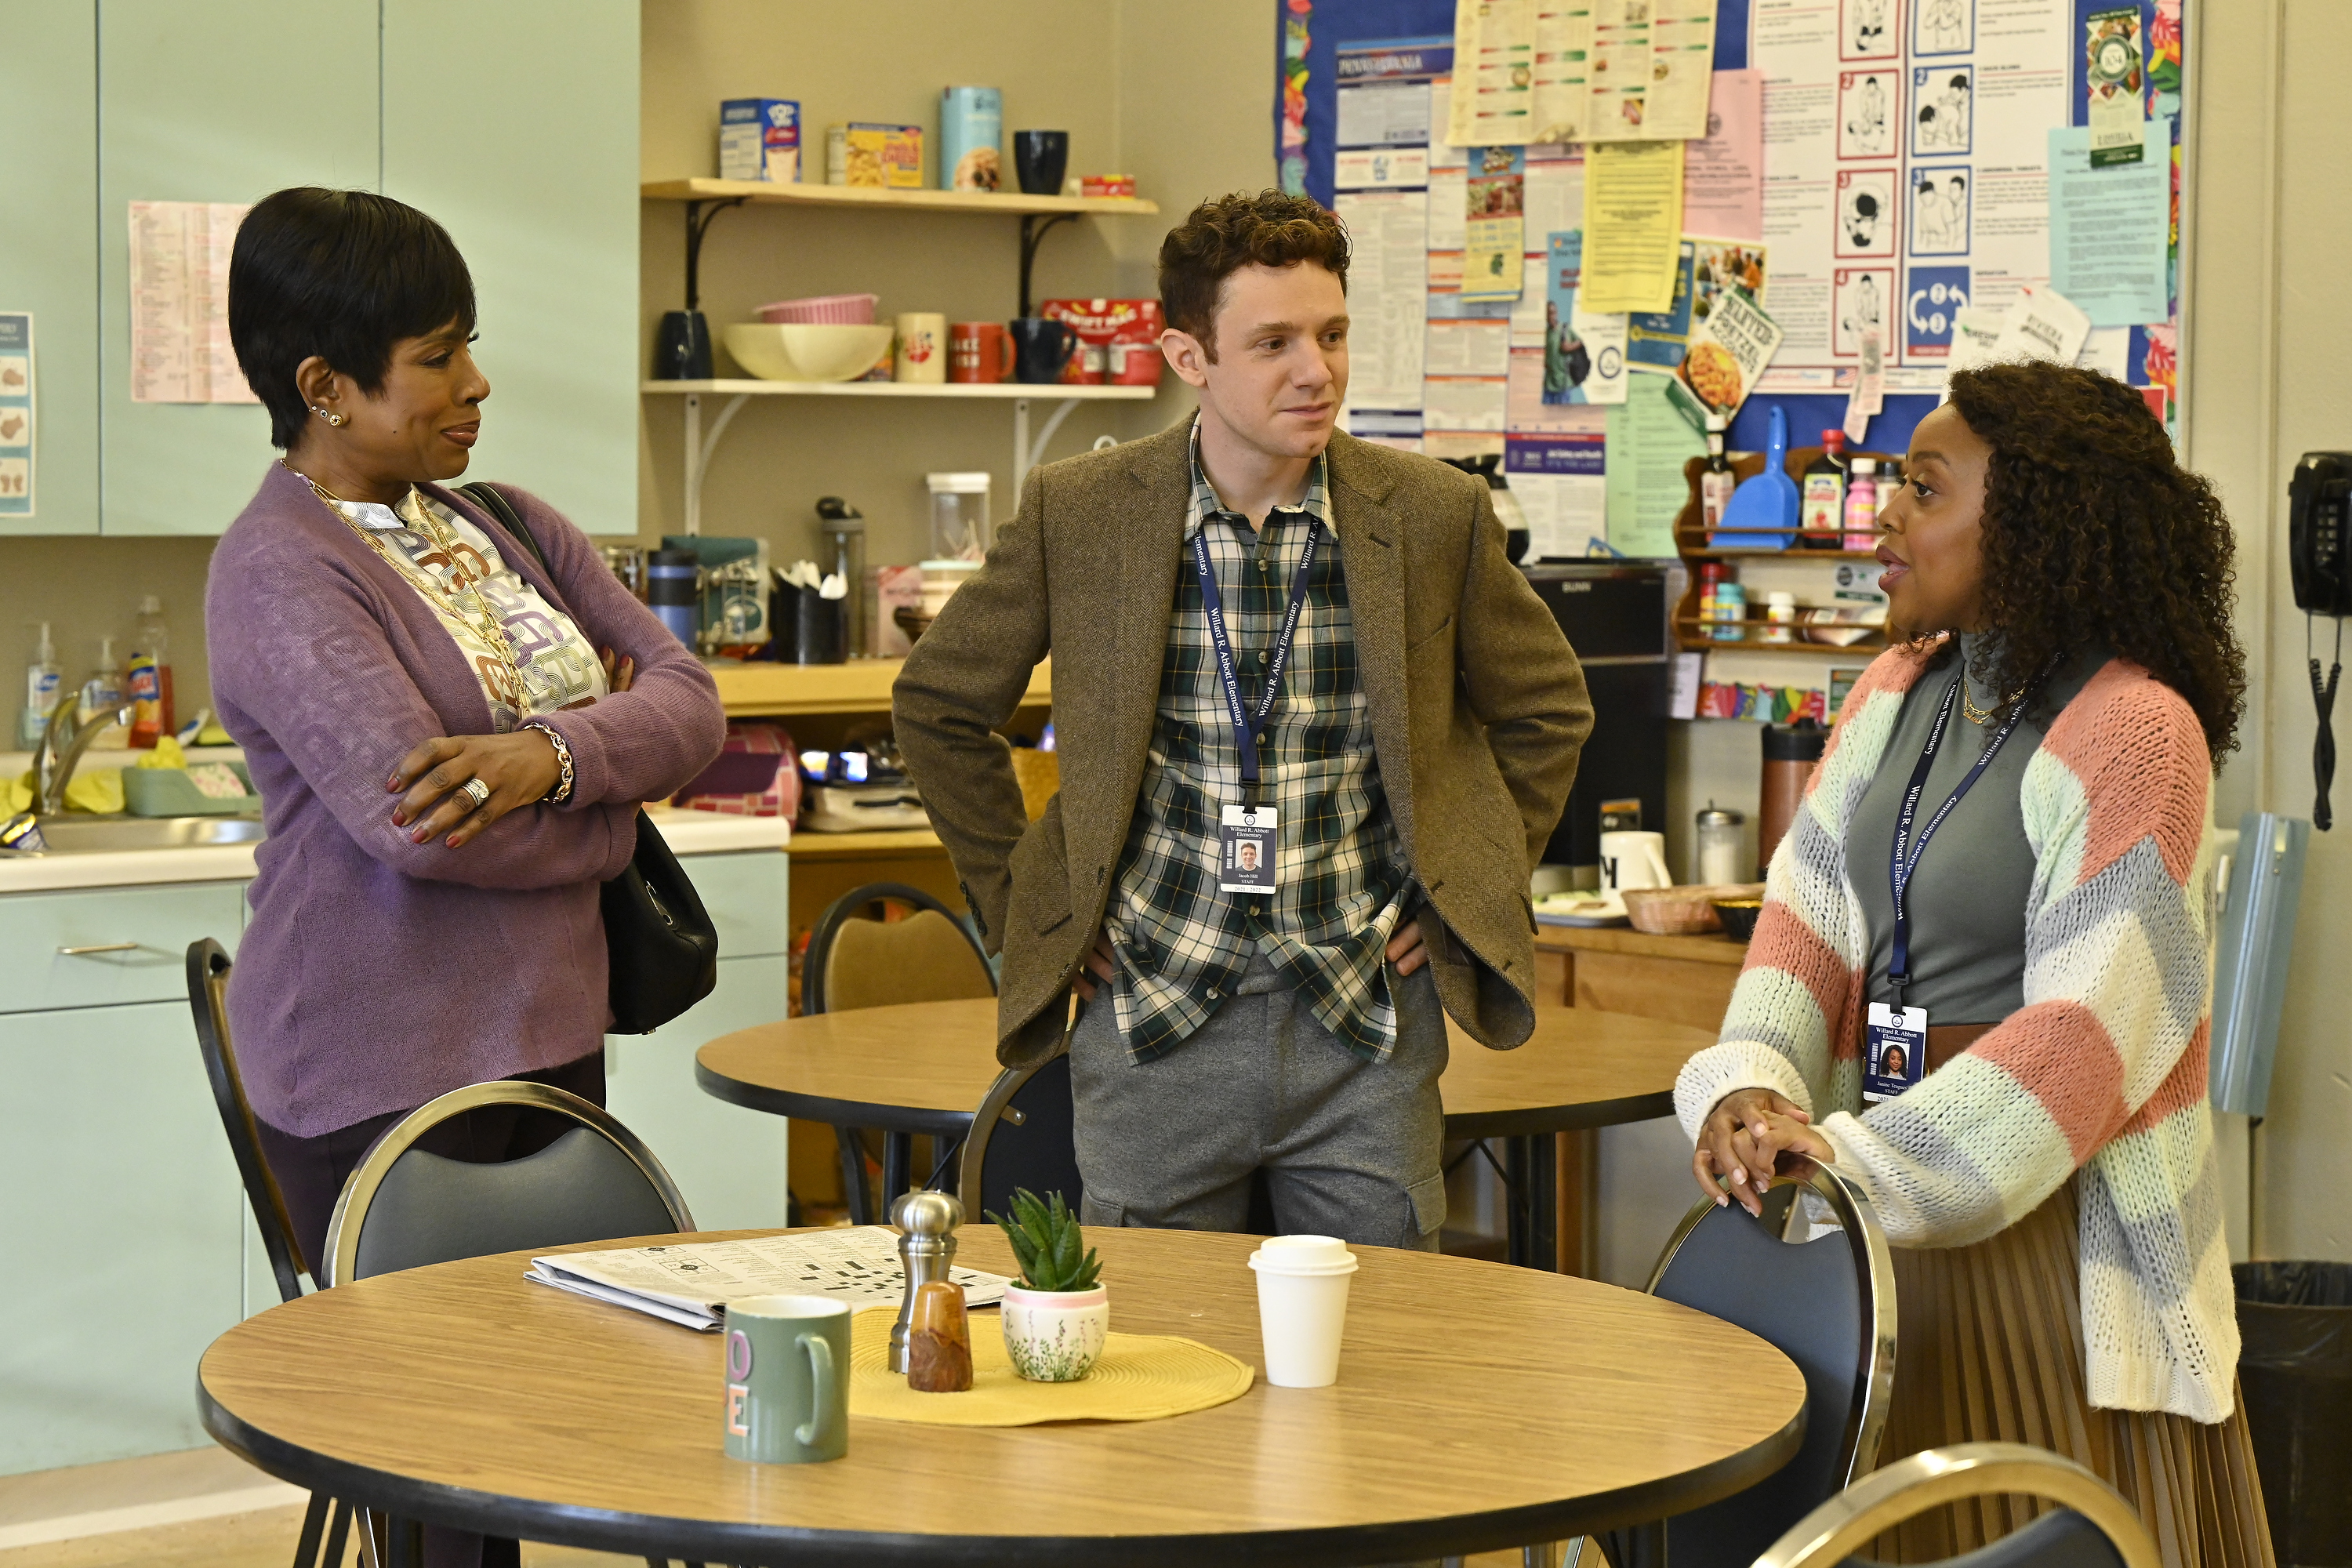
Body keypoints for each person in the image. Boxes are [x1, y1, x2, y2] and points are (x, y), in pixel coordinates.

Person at [895, 191, 1592, 1249]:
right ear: (1189, 356)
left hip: (1364, 1026)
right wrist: (1029, 906)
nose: (1316, 372)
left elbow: (1548, 709)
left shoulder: (1432, 513)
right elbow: (938, 706)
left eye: (1332, 335)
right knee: (1151, 1338)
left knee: (1375, 1335)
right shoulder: (1082, 511)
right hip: (1153, 1016)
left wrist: (1466, 885)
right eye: (1274, 344)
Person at [1676, 361, 2270, 1568]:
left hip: (2042, 1263)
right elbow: (1804, 927)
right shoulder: (1898, 688)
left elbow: (2083, 1041)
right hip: (1876, 1230)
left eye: (1926, 489)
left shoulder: (2139, 732)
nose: (1887, 515)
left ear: (2038, 523)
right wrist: (1748, 1090)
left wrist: (1843, 1159)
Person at [212, 188, 725, 1274]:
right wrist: (614, 810)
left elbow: (691, 702)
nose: (476, 382)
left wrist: (551, 758)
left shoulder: (511, 521)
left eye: (468, 347)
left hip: (554, 1033)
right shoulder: (279, 567)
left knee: (562, 1363)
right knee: (418, 1380)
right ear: (324, 387)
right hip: (373, 1068)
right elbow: (428, 827)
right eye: (437, 357)